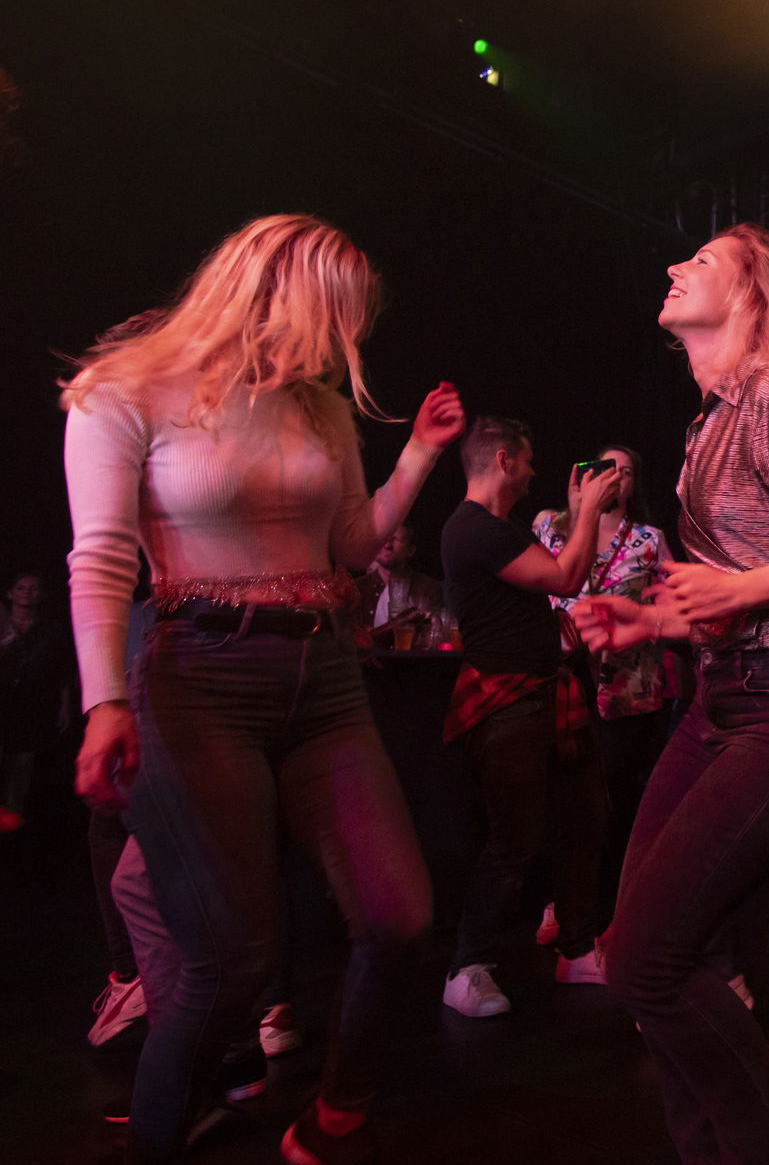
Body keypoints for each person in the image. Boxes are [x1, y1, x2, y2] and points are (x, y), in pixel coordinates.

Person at [62, 214, 464, 1165]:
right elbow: (100, 560)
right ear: (271, 290)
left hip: (323, 677)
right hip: (201, 681)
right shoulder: (125, 390)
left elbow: (356, 549)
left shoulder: (321, 410)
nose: (346, 340)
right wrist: (104, 701)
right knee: (232, 963)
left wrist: (417, 456)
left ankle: (336, 1116)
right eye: (338, 314)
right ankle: (165, 1128)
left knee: (399, 915)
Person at [572, 222, 769, 1165]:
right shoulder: (707, 420)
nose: (674, 266)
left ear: (752, 295)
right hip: (729, 691)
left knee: (648, 958)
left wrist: (740, 594)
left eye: (702, 261)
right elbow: (746, 577)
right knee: (643, 953)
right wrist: (658, 624)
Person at [439, 416, 620, 1014]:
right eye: (529, 459)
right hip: (510, 705)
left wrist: (575, 511)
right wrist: (591, 505)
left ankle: (576, 948)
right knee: (514, 840)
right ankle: (468, 967)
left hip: (547, 696)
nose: (536, 470)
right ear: (503, 462)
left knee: (584, 819)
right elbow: (569, 577)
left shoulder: (500, 529)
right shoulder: (474, 529)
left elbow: (566, 572)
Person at [532, 442, 675, 905]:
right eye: (606, 468)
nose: (616, 477)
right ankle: (563, 903)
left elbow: (674, 600)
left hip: (629, 690)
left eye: (627, 472)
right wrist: (578, 510)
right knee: (563, 800)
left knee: (618, 804)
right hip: (563, 687)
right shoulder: (549, 527)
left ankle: (619, 906)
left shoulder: (648, 539)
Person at [0, 571, 74, 831]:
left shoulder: (50, 629)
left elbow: (61, 669)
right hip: (3, 699)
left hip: (32, 703)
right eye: (21, 587)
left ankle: (14, 812)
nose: (27, 592)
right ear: (10, 593)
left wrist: (65, 704)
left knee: (23, 758)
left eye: (33, 588)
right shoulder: (2, 624)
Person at [353, 522, 442, 646]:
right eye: (383, 538)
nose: (387, 545)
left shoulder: (427, 588)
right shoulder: (357, 588)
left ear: (410, 551)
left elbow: (433, 636)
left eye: (395, 540)